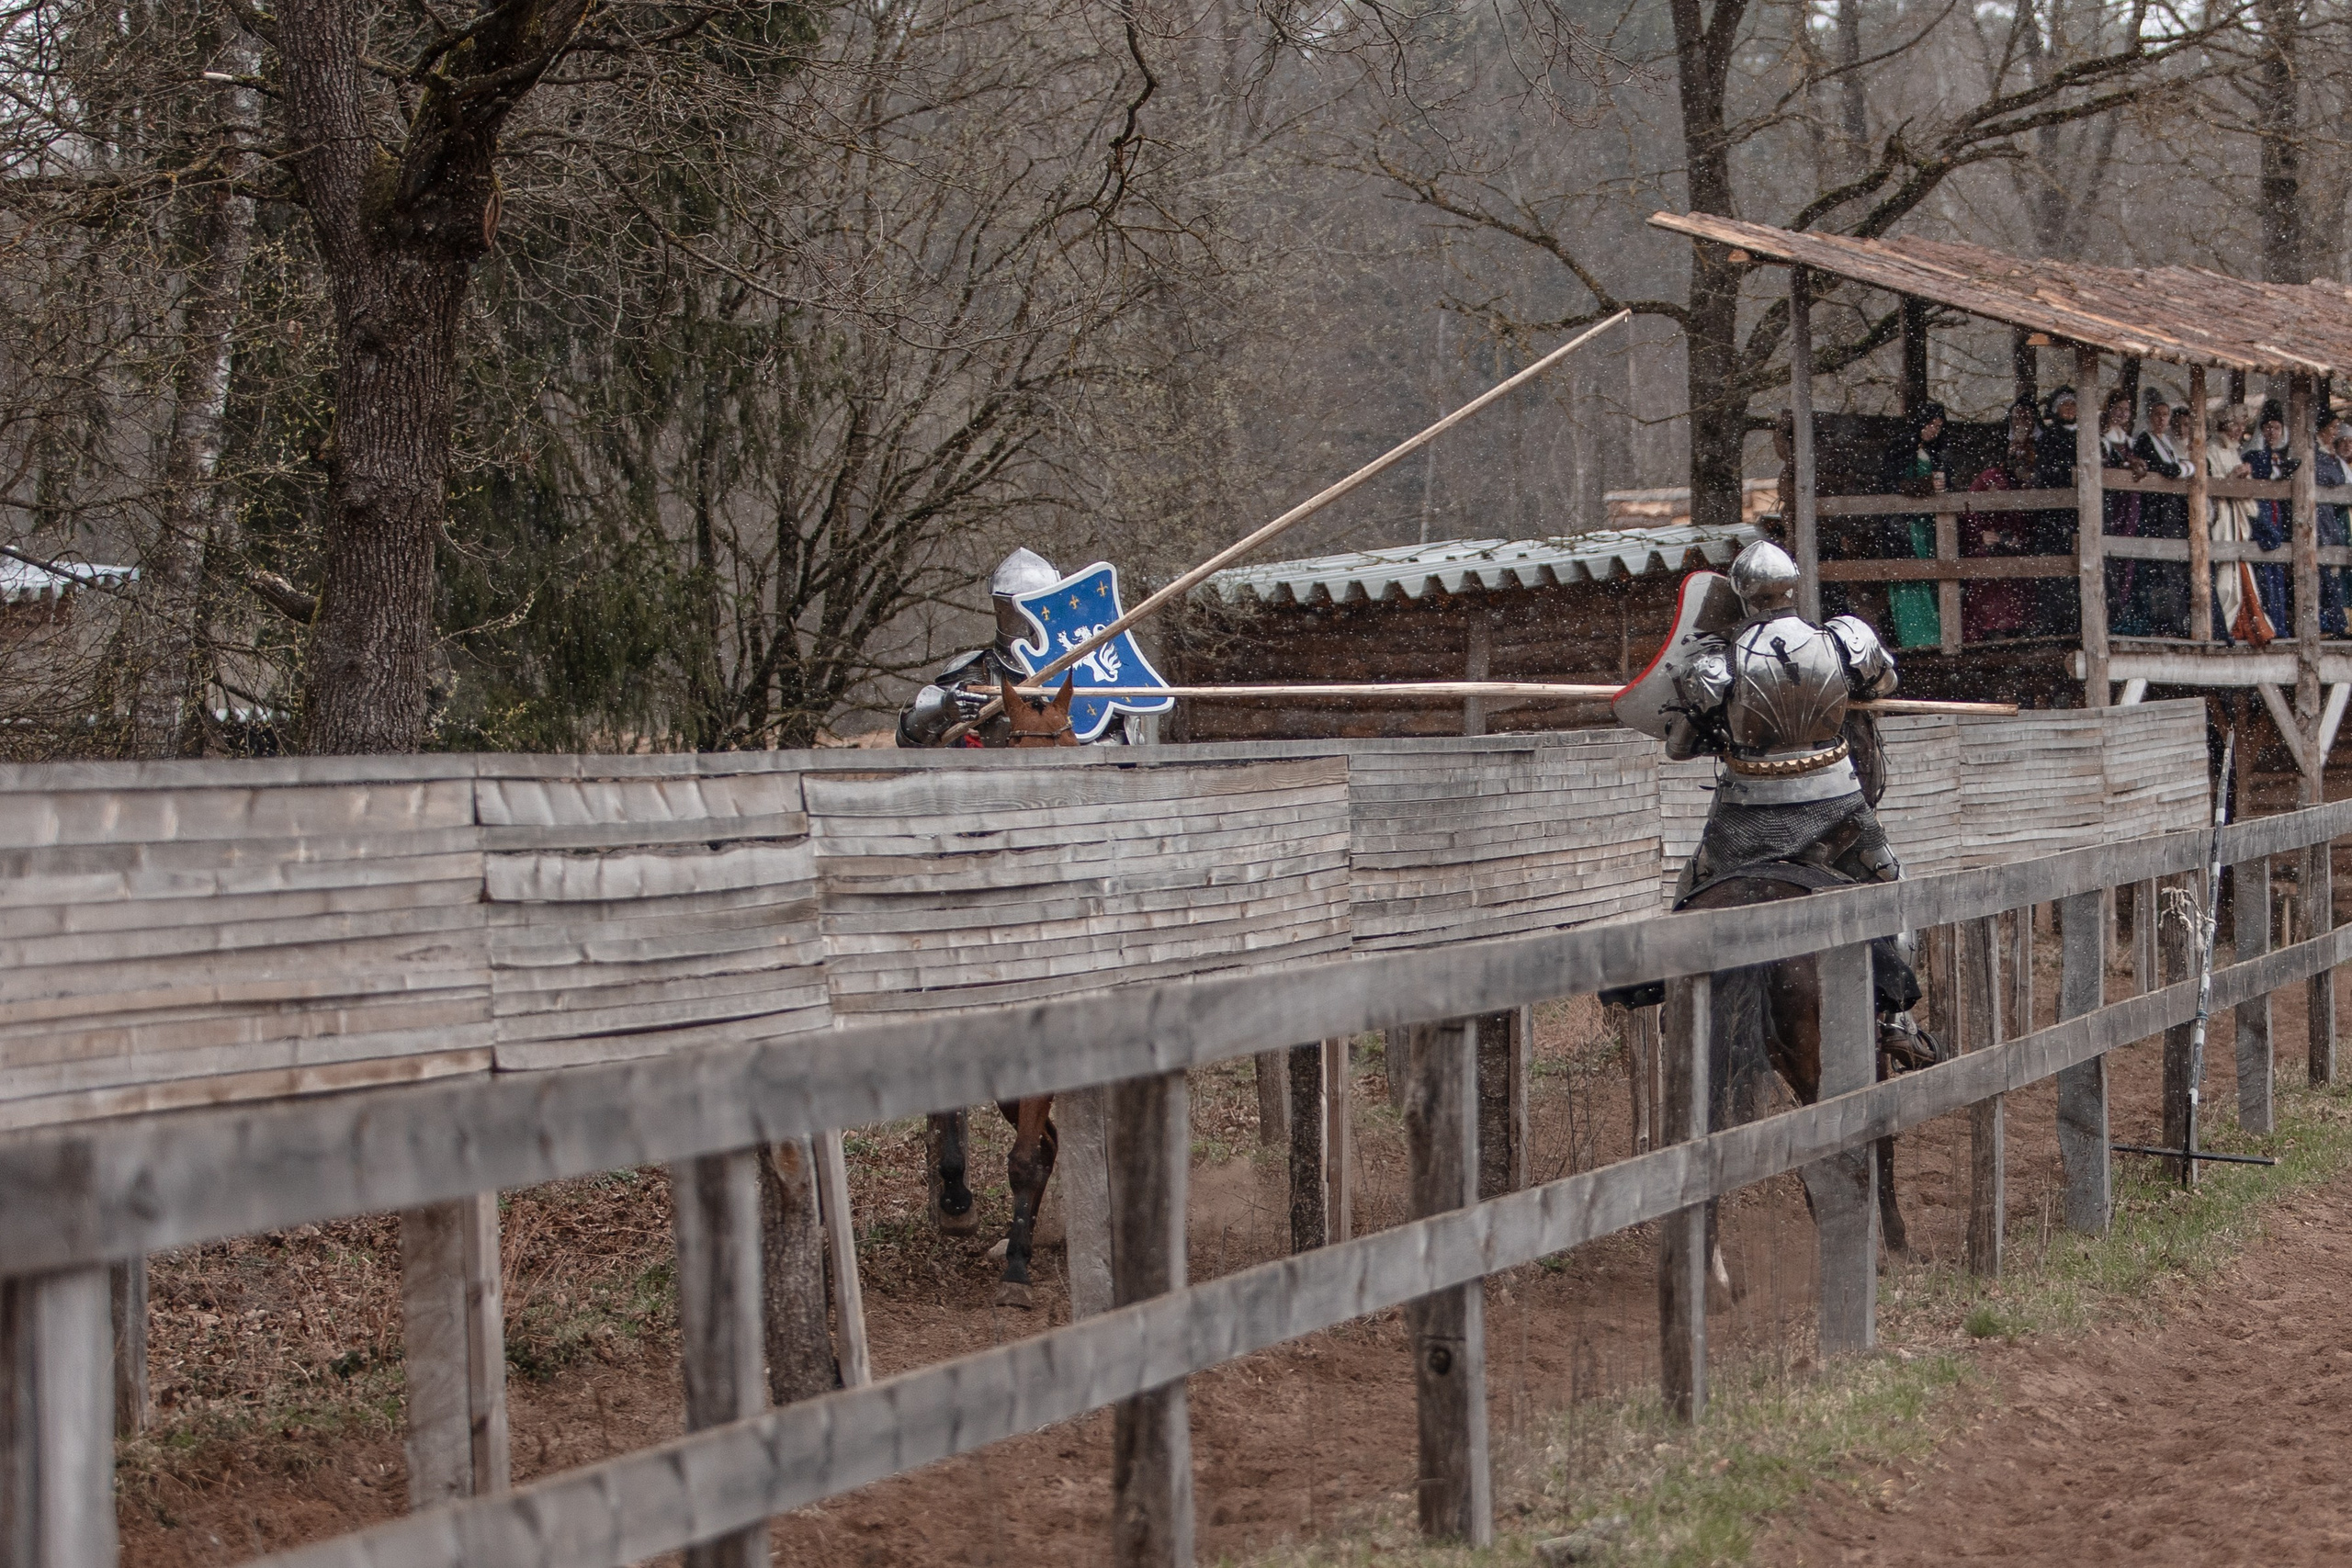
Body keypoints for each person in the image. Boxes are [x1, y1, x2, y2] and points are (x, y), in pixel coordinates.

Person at [1636, 538, 1938, 1067]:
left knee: (1694, 886)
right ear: (1792, 587)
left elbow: (1679, 746)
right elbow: (1886, 681)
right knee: (1890, 884)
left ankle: (1674, 1009)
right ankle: (1895, 1021)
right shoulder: (1845, 639)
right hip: (1835, 801)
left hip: (1747, 809)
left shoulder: (1714, 664)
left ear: (1742, 596)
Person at [896, 547, 1135, 748]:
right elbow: (909, 741)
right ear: (1001, 606)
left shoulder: (1082, 668)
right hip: (990, 792)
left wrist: (1074, 748)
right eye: (1018, 604)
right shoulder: (975, 670)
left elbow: (1126, 739)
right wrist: (944, 708)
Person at [1960, 398, 2038, 641]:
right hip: (1988, 543)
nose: (2017, 455)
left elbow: (2031, 519)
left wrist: (2019, 538)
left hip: (2016, 545)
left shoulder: (2030, 483)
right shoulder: (1990, 477)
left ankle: (2017, 627)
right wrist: (1980, 534)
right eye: (2013, 451)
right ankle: (1988, 628)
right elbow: (1968, 510)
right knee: (1987, 573)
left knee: (2023, 572)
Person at [1879, 402, 1948, 649]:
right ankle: (1915, 636)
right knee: (1909, 578)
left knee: (1933, 576)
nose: (1933, 430)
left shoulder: (1935, 452)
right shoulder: (1900, 448)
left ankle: (1937, 633)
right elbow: (1892, 484)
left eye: (1938, 426)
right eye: (1930, 424)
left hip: (1927, 525)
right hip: (1904, 525)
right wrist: (1922, 486)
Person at [2130, 387, 2194, 637]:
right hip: (2156, 511)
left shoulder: (2165, 441)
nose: (2161, 419)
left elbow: (2178, 466)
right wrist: (2187, 468)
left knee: (2176, 568)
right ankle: (2165, 622)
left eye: (2165, 415)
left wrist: (2183, 467)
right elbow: (2167, 470)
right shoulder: (2146, 440)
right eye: (2157, 414)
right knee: (2161, 569)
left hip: (2170, 511)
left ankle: (2178, 621)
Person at [2031, 385, 2084, 635]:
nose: (2070, 408)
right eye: (2065, 404)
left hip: (2080, 511)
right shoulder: (2050, 437)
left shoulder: (2085, 435)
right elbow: (2046, 472)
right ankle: (2054, 622)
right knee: (2054, 569)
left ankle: (2078, 620)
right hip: (2055, 512)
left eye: (2073, 403)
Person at [2206, 403, 2259, 641]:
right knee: (2225, 571)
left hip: (2236, 512)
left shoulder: (2234, 450)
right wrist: (2231, 479)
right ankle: (2226, 622)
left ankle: (2240, 621)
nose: (2239, 429)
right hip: (2223, 512)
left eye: (2242, 425)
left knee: (2239, 567)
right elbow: (2211, 484)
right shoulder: (2212, 449)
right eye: (2235, 424)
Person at [2243, 399, 2296, 634]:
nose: (2272, 432)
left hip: (2277, 519)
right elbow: (2263, 474)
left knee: (2278, 579)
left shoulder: (2284, 456)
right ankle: (2267, 624)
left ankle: (2280, 625)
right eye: (2268, 427)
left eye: (2276, 427)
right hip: (2262, 520)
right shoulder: (2254, 455)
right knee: (2264, 577)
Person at [2320, 414, 2352, 635]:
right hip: (2339, 520)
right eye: (2344, 442)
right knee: (2338, 572)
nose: (2348, 446)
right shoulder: (2333, 462)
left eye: (2351, 442)